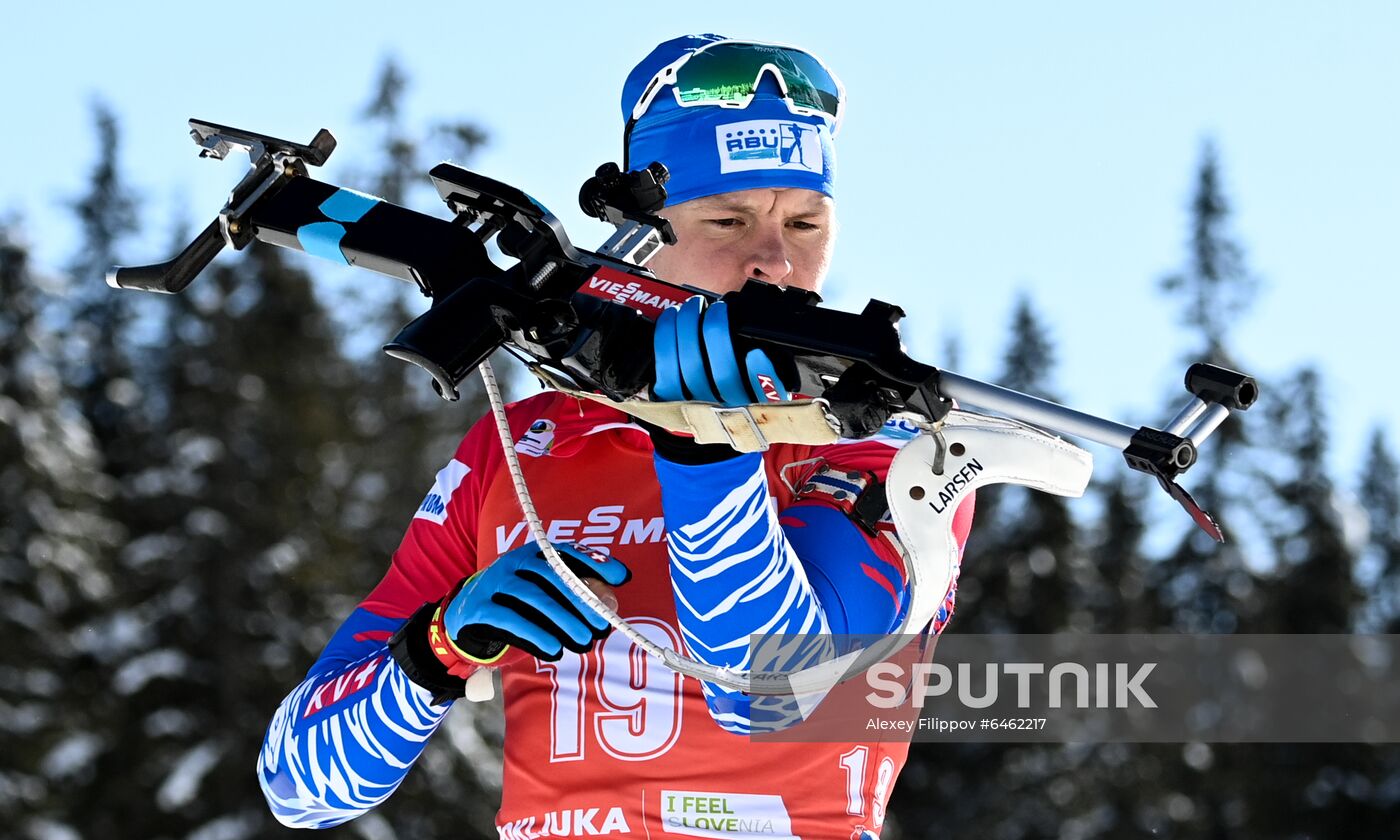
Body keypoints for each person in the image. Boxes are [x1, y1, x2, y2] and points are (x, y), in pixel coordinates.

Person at [258, 34, 974, 838]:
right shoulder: (523, 446)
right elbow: (299, 785)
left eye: (807, 223)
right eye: (728, 219)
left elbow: (775, 689)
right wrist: (437, 649)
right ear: (643, 235)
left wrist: (709, 451)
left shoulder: (881, 439)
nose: (774, 259)